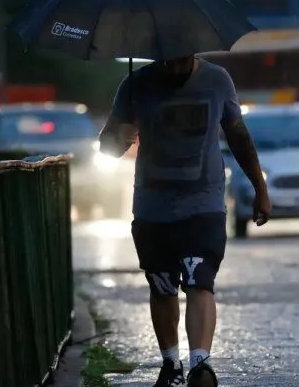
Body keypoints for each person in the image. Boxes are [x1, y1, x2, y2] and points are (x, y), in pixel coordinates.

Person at [98, 54, 271, 387]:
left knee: (199, 281)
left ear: (192, 52)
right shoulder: (134, 85)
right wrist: (122, 135)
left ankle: (200, 366)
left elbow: (238, 136)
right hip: (152, 209)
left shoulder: (217, 80)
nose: (173, 68)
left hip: (203, 206)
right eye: (167, 62)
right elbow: (106, 147)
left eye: (179, 62)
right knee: (162, 286)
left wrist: (260, 189)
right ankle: (171, 364)